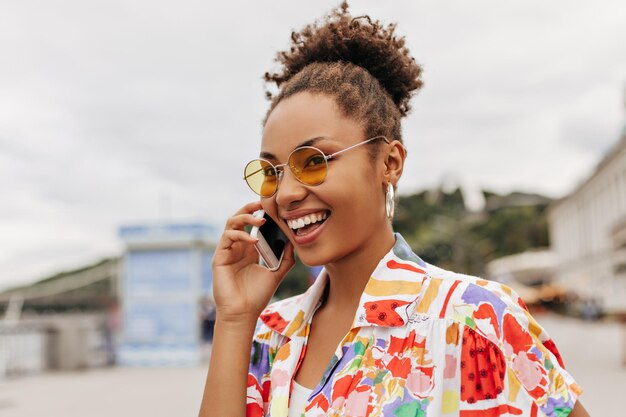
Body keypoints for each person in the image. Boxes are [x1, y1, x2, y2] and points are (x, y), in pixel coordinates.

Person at [199, 3, 588, 416]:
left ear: (390, 163)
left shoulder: (474, 319)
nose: (285, 194)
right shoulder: (267, 333)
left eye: (314, 161)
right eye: (272, 171)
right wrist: (235, 317)